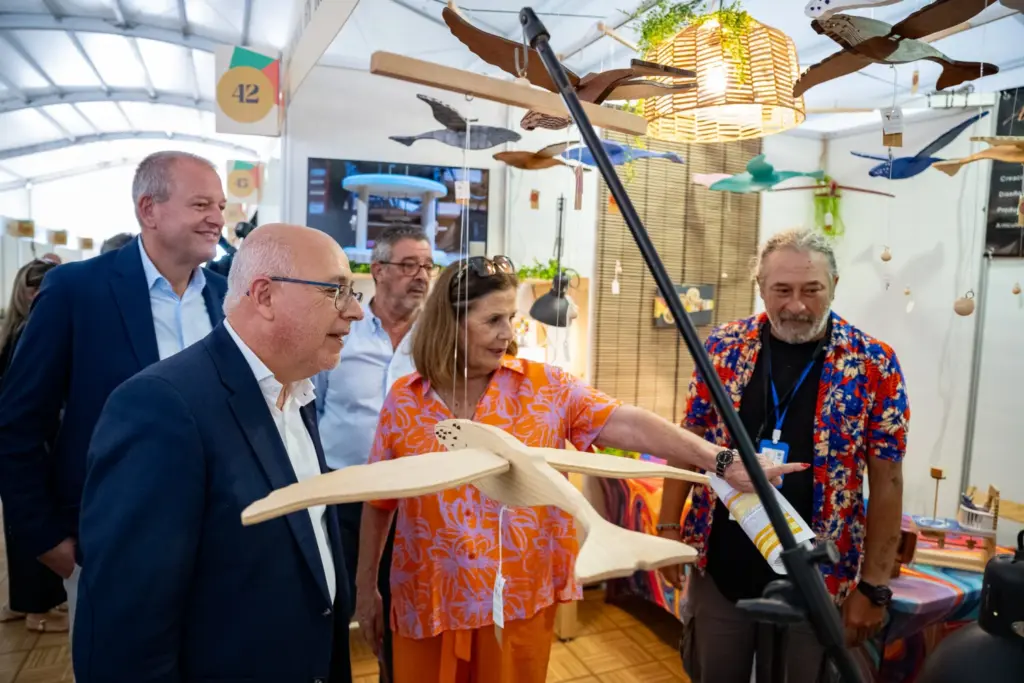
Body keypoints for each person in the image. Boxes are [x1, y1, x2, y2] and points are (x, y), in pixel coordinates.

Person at [353, 256, 805, 683]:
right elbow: (380, 502)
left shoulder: (544, 387)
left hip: (516, 602)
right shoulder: (405, 400)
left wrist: (720, 459)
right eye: (492, 320)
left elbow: (630, 424)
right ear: (450, 324)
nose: (507, 333)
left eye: (511, 318)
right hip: (426, 598)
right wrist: (365, 588)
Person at [73, 223, 364, 682]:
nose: (355, 311)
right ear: (264, 296)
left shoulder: (296, 391)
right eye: (336, 291)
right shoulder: (162, 407)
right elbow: (127, 624)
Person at [658, 228, 909, 683]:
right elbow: (688, 437)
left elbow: (888, 478)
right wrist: (668, 528)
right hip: (723, 564)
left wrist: (874, 587)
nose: (797, 306)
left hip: (820, 577)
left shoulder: (874, 364)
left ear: (834, 285)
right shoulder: (722, 347)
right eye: (782, 290)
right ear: (761, 287)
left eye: (812, 290)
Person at [0, 151, 229, 641]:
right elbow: (18, 421)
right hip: (110, 544)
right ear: (149, 209)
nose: (217, 219)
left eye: (221, 206)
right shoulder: (76, 291)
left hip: (220, 542)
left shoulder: (229, 297)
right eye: (201, 204)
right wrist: (44, 538)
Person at [313, 224, 436, 682]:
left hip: (412, 500)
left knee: (402, 609)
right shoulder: (341, 329)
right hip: (344, 496)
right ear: (378, 270)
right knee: (333, 602)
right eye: (409, 265)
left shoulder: (437, 341)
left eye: (427, 266)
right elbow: (312, 406)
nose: (421, 275)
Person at [0, 258, 68, 633]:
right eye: (35, 287)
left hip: (25, 442)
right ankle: (37, 610)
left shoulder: (13, 330)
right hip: (32, 443)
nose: (41, 293)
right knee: (34, 522)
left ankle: (22, 602)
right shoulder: (29, 332)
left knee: (19, 526)